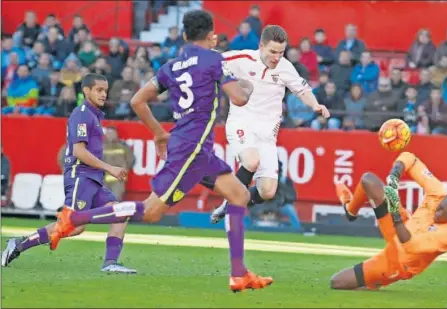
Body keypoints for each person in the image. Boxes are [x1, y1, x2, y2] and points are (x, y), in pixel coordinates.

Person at [47, 10, 273, 293]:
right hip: (191, 150)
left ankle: (239, 274)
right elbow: (239, 98)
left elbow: (138, 101)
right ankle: (74, 218)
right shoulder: (215, 60)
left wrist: (158, 132)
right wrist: (247, 87)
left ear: (185, 35)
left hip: (193, 148)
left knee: (239, 195)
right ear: (210, 33)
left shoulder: (172, 66)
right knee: (151, 212)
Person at [1, 73, 136, 274]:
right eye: (99, 90)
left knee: (120, 213)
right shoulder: (81, 114)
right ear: (86, 90)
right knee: (74, 226)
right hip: (80, 177)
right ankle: (19, 244)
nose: (103, 94)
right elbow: (79, 152)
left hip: (94, 179)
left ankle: (110, 263)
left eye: (105, 91)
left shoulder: (94, 116)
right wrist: (110, 168)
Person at [210, 25, 330, 224]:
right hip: (242, 123)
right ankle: (232, 202)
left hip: (267, 136)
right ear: (261, 46)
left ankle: (229, 204)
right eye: (272, 51)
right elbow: (214, 58)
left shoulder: (285, 67)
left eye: (281, 52)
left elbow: (302, 90)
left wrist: (316, 105)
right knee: (251, 161)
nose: (276, 57)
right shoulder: (242, 59)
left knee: (267, 191)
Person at [330, 152, 447, 290]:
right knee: (369, 180)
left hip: (400, 261)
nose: (439, 214)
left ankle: (375, 282)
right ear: (444, 198)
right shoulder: (438, 192)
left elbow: (410, 246)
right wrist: (395, 174)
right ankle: (350, 211)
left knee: (337, 282)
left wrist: (394, 209)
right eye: (441, 207)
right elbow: (410, 159)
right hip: (402, 224)